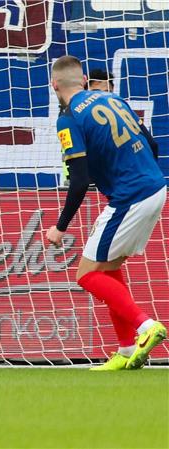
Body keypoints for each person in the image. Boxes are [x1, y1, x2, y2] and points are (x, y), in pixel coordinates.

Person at [45, 55, 166, 370]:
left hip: (130, 196)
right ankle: (126, 351)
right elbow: (151, 145)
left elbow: (80, 179)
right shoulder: (113, 98)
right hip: (154, 185)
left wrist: (59, 227)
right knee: (110, 269)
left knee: (86, 274)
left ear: (54, 85)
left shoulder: (69, 118)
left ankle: (145, 326)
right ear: (84, 80)